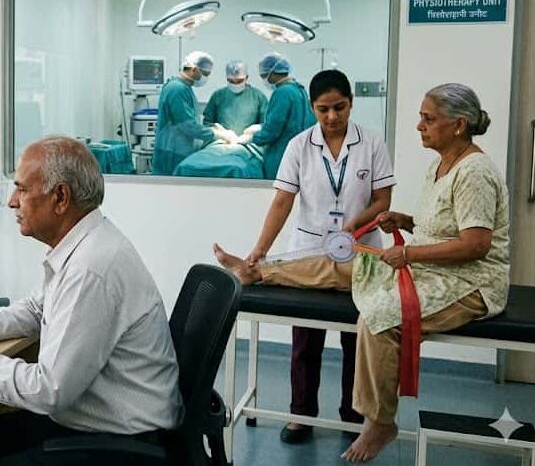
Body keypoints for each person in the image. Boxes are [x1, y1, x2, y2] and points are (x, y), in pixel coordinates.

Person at [214, 83, 509, 463]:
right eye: (421, 117)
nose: (419, 125)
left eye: (428, 118)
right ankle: (258, 273)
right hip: (429, 267)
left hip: (469, 282)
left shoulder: (474, 172)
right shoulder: (442, 163)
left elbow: (476, 245)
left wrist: (410, 252)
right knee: (349, 267)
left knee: (379, 314)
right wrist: (406, 221)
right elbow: (447, 225)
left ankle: (380, 421)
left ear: (458, 125)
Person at [0, 136, 183, 464]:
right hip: (103, 422)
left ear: (60, 197)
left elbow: (48, 389)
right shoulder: (86, 244)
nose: (11, 202)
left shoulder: (91, 268)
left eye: (22, 189)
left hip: (121, 442)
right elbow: (38, 307)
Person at [217, 69, 396, 444]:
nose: (332, 117)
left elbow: (382, 200)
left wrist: (352, 226)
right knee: (305, 339)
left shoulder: (372, 143)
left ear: (351, 102)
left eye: (340, 107)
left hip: (361, 250)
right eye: (323, 109)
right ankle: (301, 415)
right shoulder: (299, 145)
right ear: (313, 107)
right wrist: (259, 250)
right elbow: (282, 201)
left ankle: (352, 415)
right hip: (310, 247)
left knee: (358, 339)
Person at [240, 53, 316, 179]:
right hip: (299, 154)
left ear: (273, 73)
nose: (264, 79)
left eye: (264, 75)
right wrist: (261, 126)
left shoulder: (282, 93)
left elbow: (272, 131)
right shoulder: (299, 90)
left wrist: (252, 138)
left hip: (281, 156)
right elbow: (293, 121)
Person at [153, 51, 218, 175]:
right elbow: (187, 126)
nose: (206, 78)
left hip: (178, 149)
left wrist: (212, 128)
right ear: (193, 70)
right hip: (172, 152)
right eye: (205, 73)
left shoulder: (184, 88)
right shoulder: (177, 89)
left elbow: (190, 120)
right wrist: (215, 134)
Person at [203, 59, 268, 139]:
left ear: (246, 77)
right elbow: (207, 123)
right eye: (231, 81)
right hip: (221, 142)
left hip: (249, 143)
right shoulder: (218, 95)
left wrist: (257, 129)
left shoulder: (258, 97)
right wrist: (219, 132)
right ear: (226, 78)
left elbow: (267, 124)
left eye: (239, 81)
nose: (235, 84)